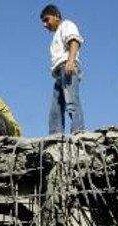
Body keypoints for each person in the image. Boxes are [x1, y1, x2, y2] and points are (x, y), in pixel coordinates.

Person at [40, 4, 85, 135]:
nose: (45, 24)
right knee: (56, 107)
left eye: (46, 19)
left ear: (56, 16)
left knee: (72, 102)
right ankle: (55, 134)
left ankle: (78, 131)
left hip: (67, 66)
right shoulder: (56, 35)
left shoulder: (66, 25)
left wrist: (71, 61)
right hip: (59, 73)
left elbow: (74, 41)